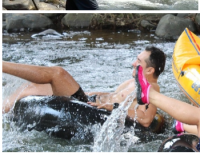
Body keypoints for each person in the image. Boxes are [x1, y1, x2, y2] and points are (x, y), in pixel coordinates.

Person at [2, 46, 166, 128]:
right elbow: (112, 95)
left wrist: (113, 106)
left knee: (58, 74)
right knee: (35, 86)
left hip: (90, 110)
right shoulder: (132, 82)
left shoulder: (152, 88)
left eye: (138, 61)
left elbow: (145, 119)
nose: (133, 63)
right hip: (89, 101)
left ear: (150, 70)